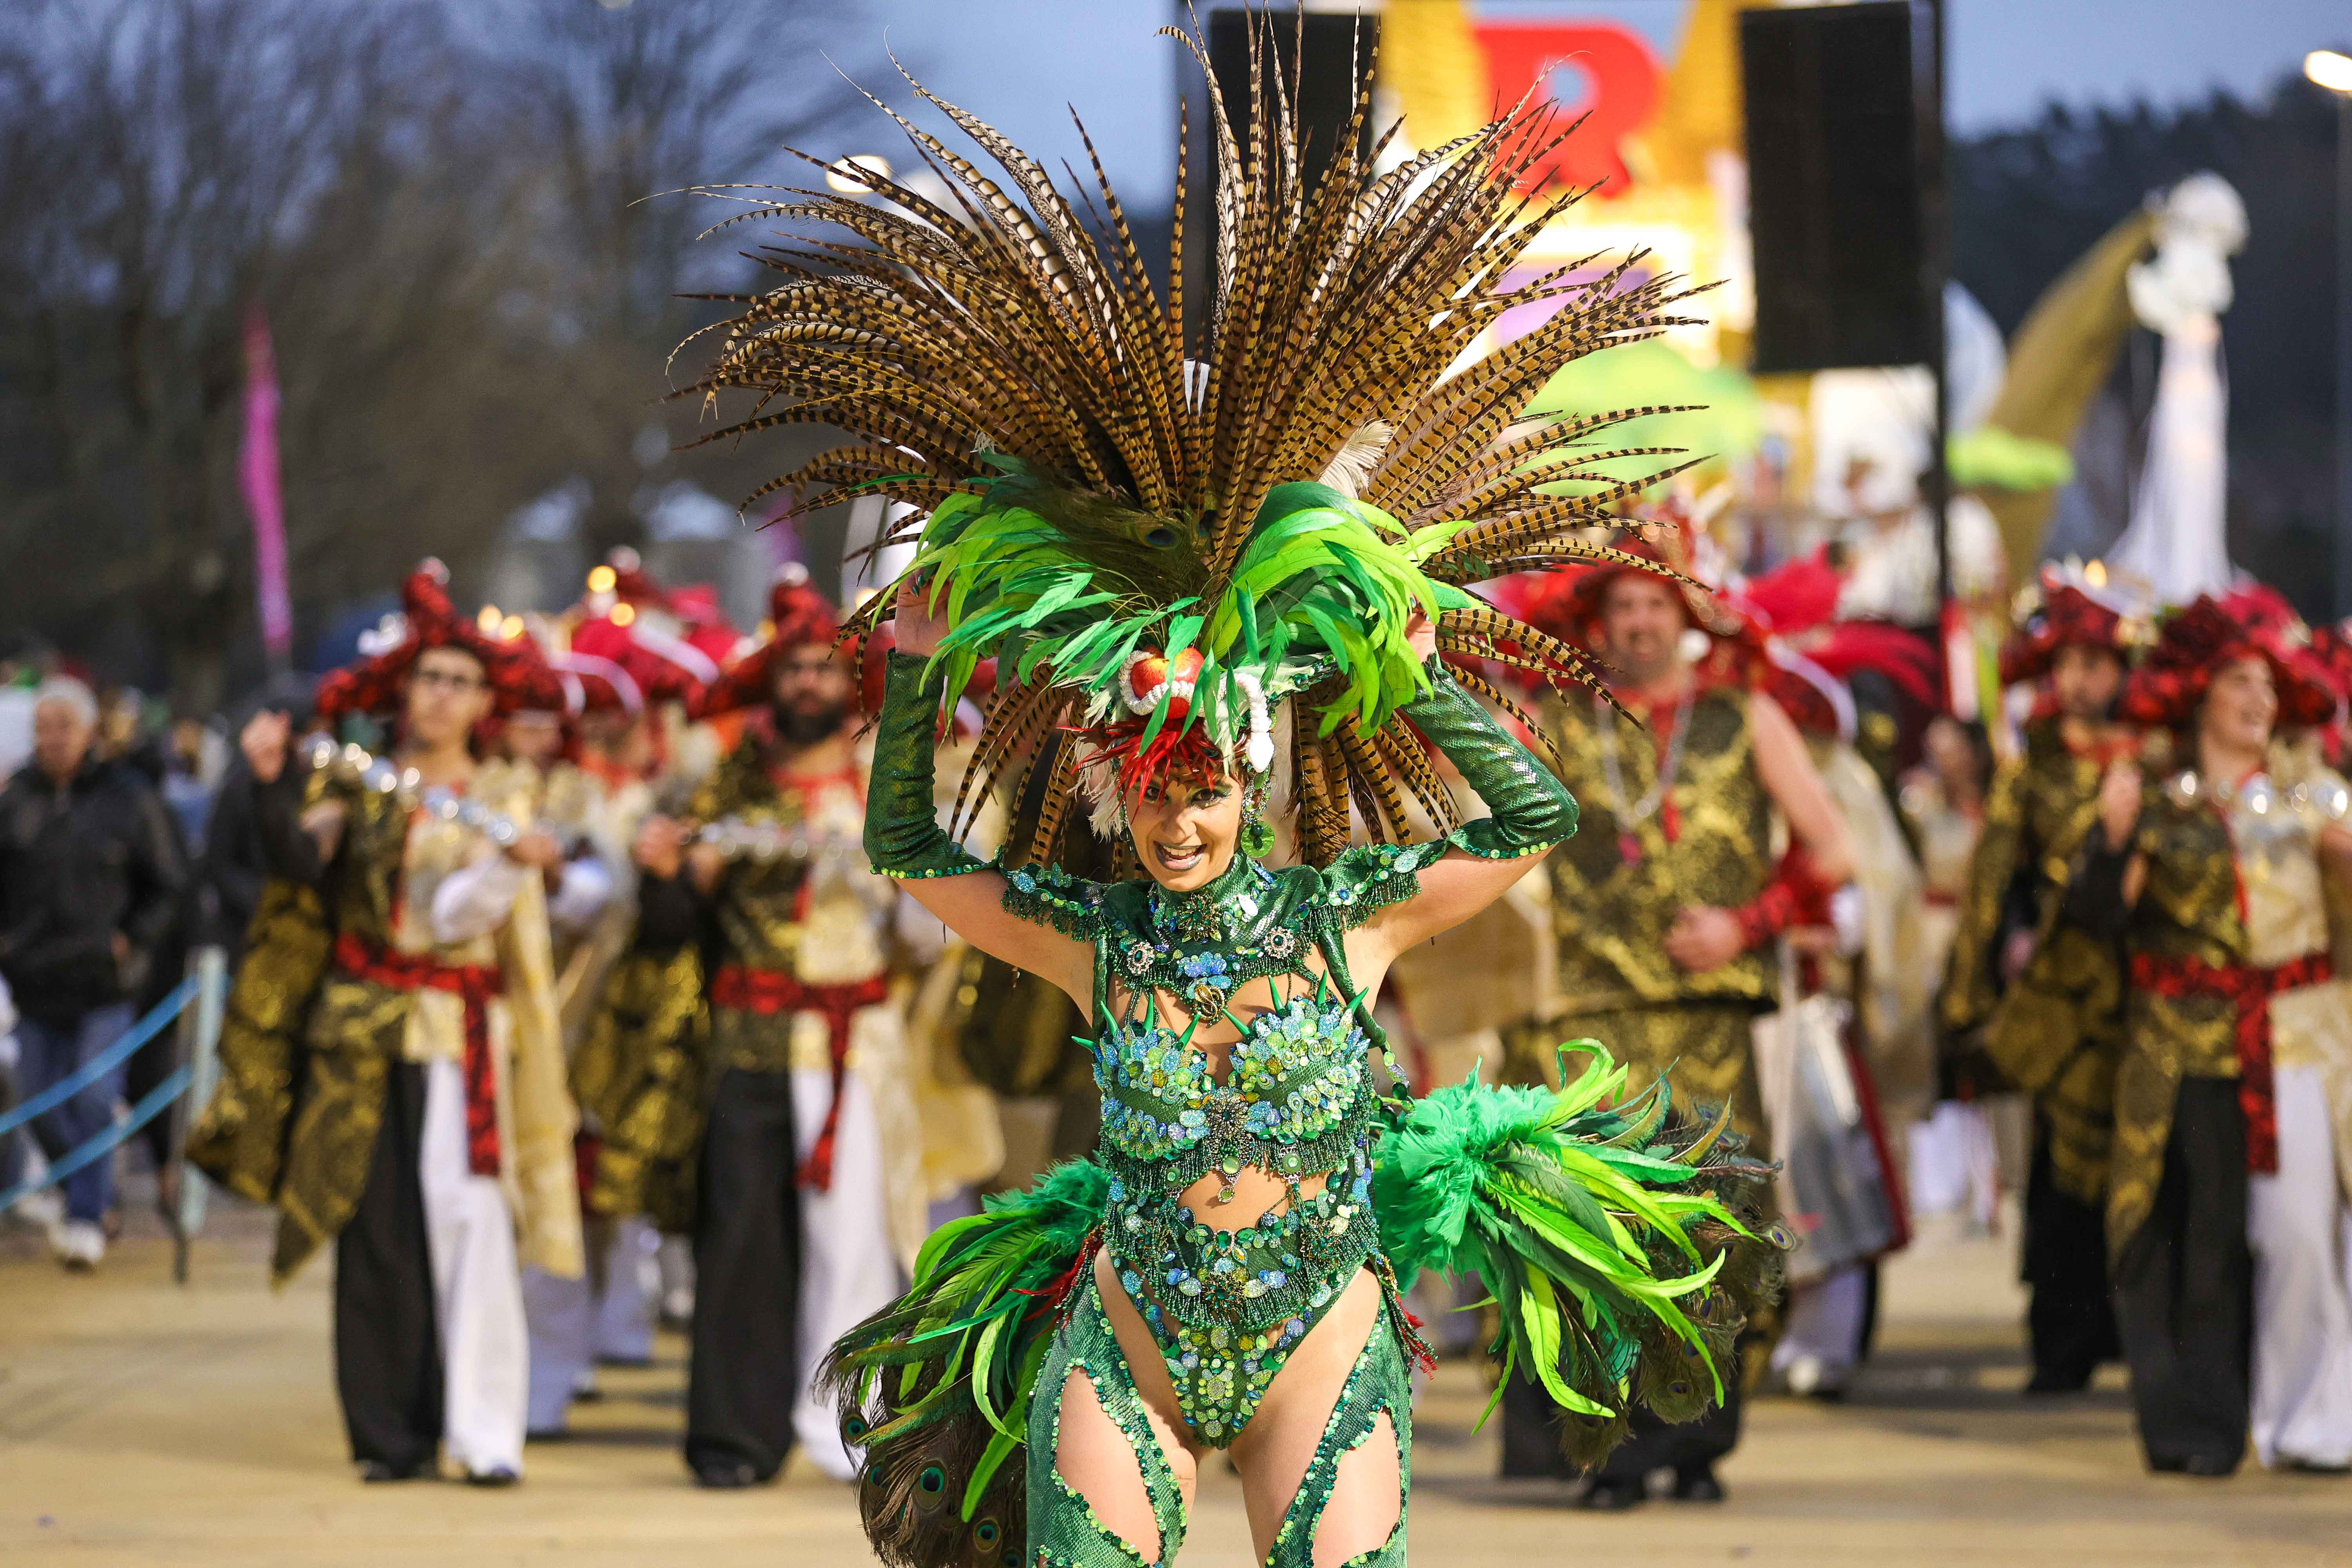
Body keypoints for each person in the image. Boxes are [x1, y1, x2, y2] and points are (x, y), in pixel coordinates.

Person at [680, 46, 1788, 1565]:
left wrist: (1414, 670)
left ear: (1253, 782)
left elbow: (1531, 821)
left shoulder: (1351, 921)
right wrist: (923, 673)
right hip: (1127, 1345)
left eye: (1202, 794)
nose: (1178, 827)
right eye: (1152, 798)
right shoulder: (1096, 932)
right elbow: (912, 854)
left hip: (1321, 1347)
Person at [186, 561, 583, 1485]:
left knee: (472, 1217)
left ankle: (485, 1433)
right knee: (374, 1229)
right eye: (428, 676)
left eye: (459, 680)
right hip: (360, 1029)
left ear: (484, 699)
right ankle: (388, 1435)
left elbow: (460, 913)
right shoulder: (360, 783)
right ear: (404, 687)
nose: (440, 693)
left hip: (458, 1033)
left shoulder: (504, 790)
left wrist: (509, 862)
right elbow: (300, 860)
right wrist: (269, 784)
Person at [1501, 519, 1854, 1506]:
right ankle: (1612, 1452)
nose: (1641, 622)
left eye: (1656, 603)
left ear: (1685, 612)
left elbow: (1833, 851)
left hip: (1710, 1023)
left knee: (1714, 1229)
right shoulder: (1557, 719)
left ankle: (1697, 1445)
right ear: (1599, 620)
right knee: (1600, 1232)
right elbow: (1482, 828)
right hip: (1589, 1021)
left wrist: (1748, 924)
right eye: (1624, 605)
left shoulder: (1744, 715)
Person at [581, 566, 926, 1488]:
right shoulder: (727, 782)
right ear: (773, 681)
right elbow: (672, 923)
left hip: (857, 1043)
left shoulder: (885, 784)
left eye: (825, 667)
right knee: (739, 1238)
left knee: (852, 1237)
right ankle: (735, 1437)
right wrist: (664, 871)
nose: (809, 682)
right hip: (749, 1042)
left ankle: (845, 1426)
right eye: (794, 668)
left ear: (851, 679)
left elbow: (927, 932)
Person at [2080, 593, 2345, 1474]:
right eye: (2238, 680)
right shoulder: (2158, 802)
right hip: (2182, 1054)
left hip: (2301, 1044)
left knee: (2301, 1233)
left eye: (2268, 684)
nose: (2257, 698)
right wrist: (2114, 838)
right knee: (2191, 1242)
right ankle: (2204, 1423)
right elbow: (2097, 923)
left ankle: (2310, 1415)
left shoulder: (2317, 798)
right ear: (2198, 695)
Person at [1941, 571, 2140, 1392]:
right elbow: (1995, 880)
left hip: (2146, 988)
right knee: (2061, 1169)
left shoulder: (2159, 757)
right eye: (2070, 664)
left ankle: (2139, 1334)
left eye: (2097, 664)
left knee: (2145, 1154)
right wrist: (1984, 977)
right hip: (2061, 991)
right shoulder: (2032, 768)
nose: (2081, 680)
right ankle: (2063, 1343)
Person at [0, 675, 188, 1269]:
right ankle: (91, 1190)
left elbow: (168, 883)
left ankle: (87, 1216)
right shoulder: (16, 799)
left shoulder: (128, 797)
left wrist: (131, 940)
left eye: (64, 727)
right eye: (43, 728)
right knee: (39, 1104)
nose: (53, 739)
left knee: (92, 1094)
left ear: (90, 732)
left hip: (105, 983)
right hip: (34, 981)